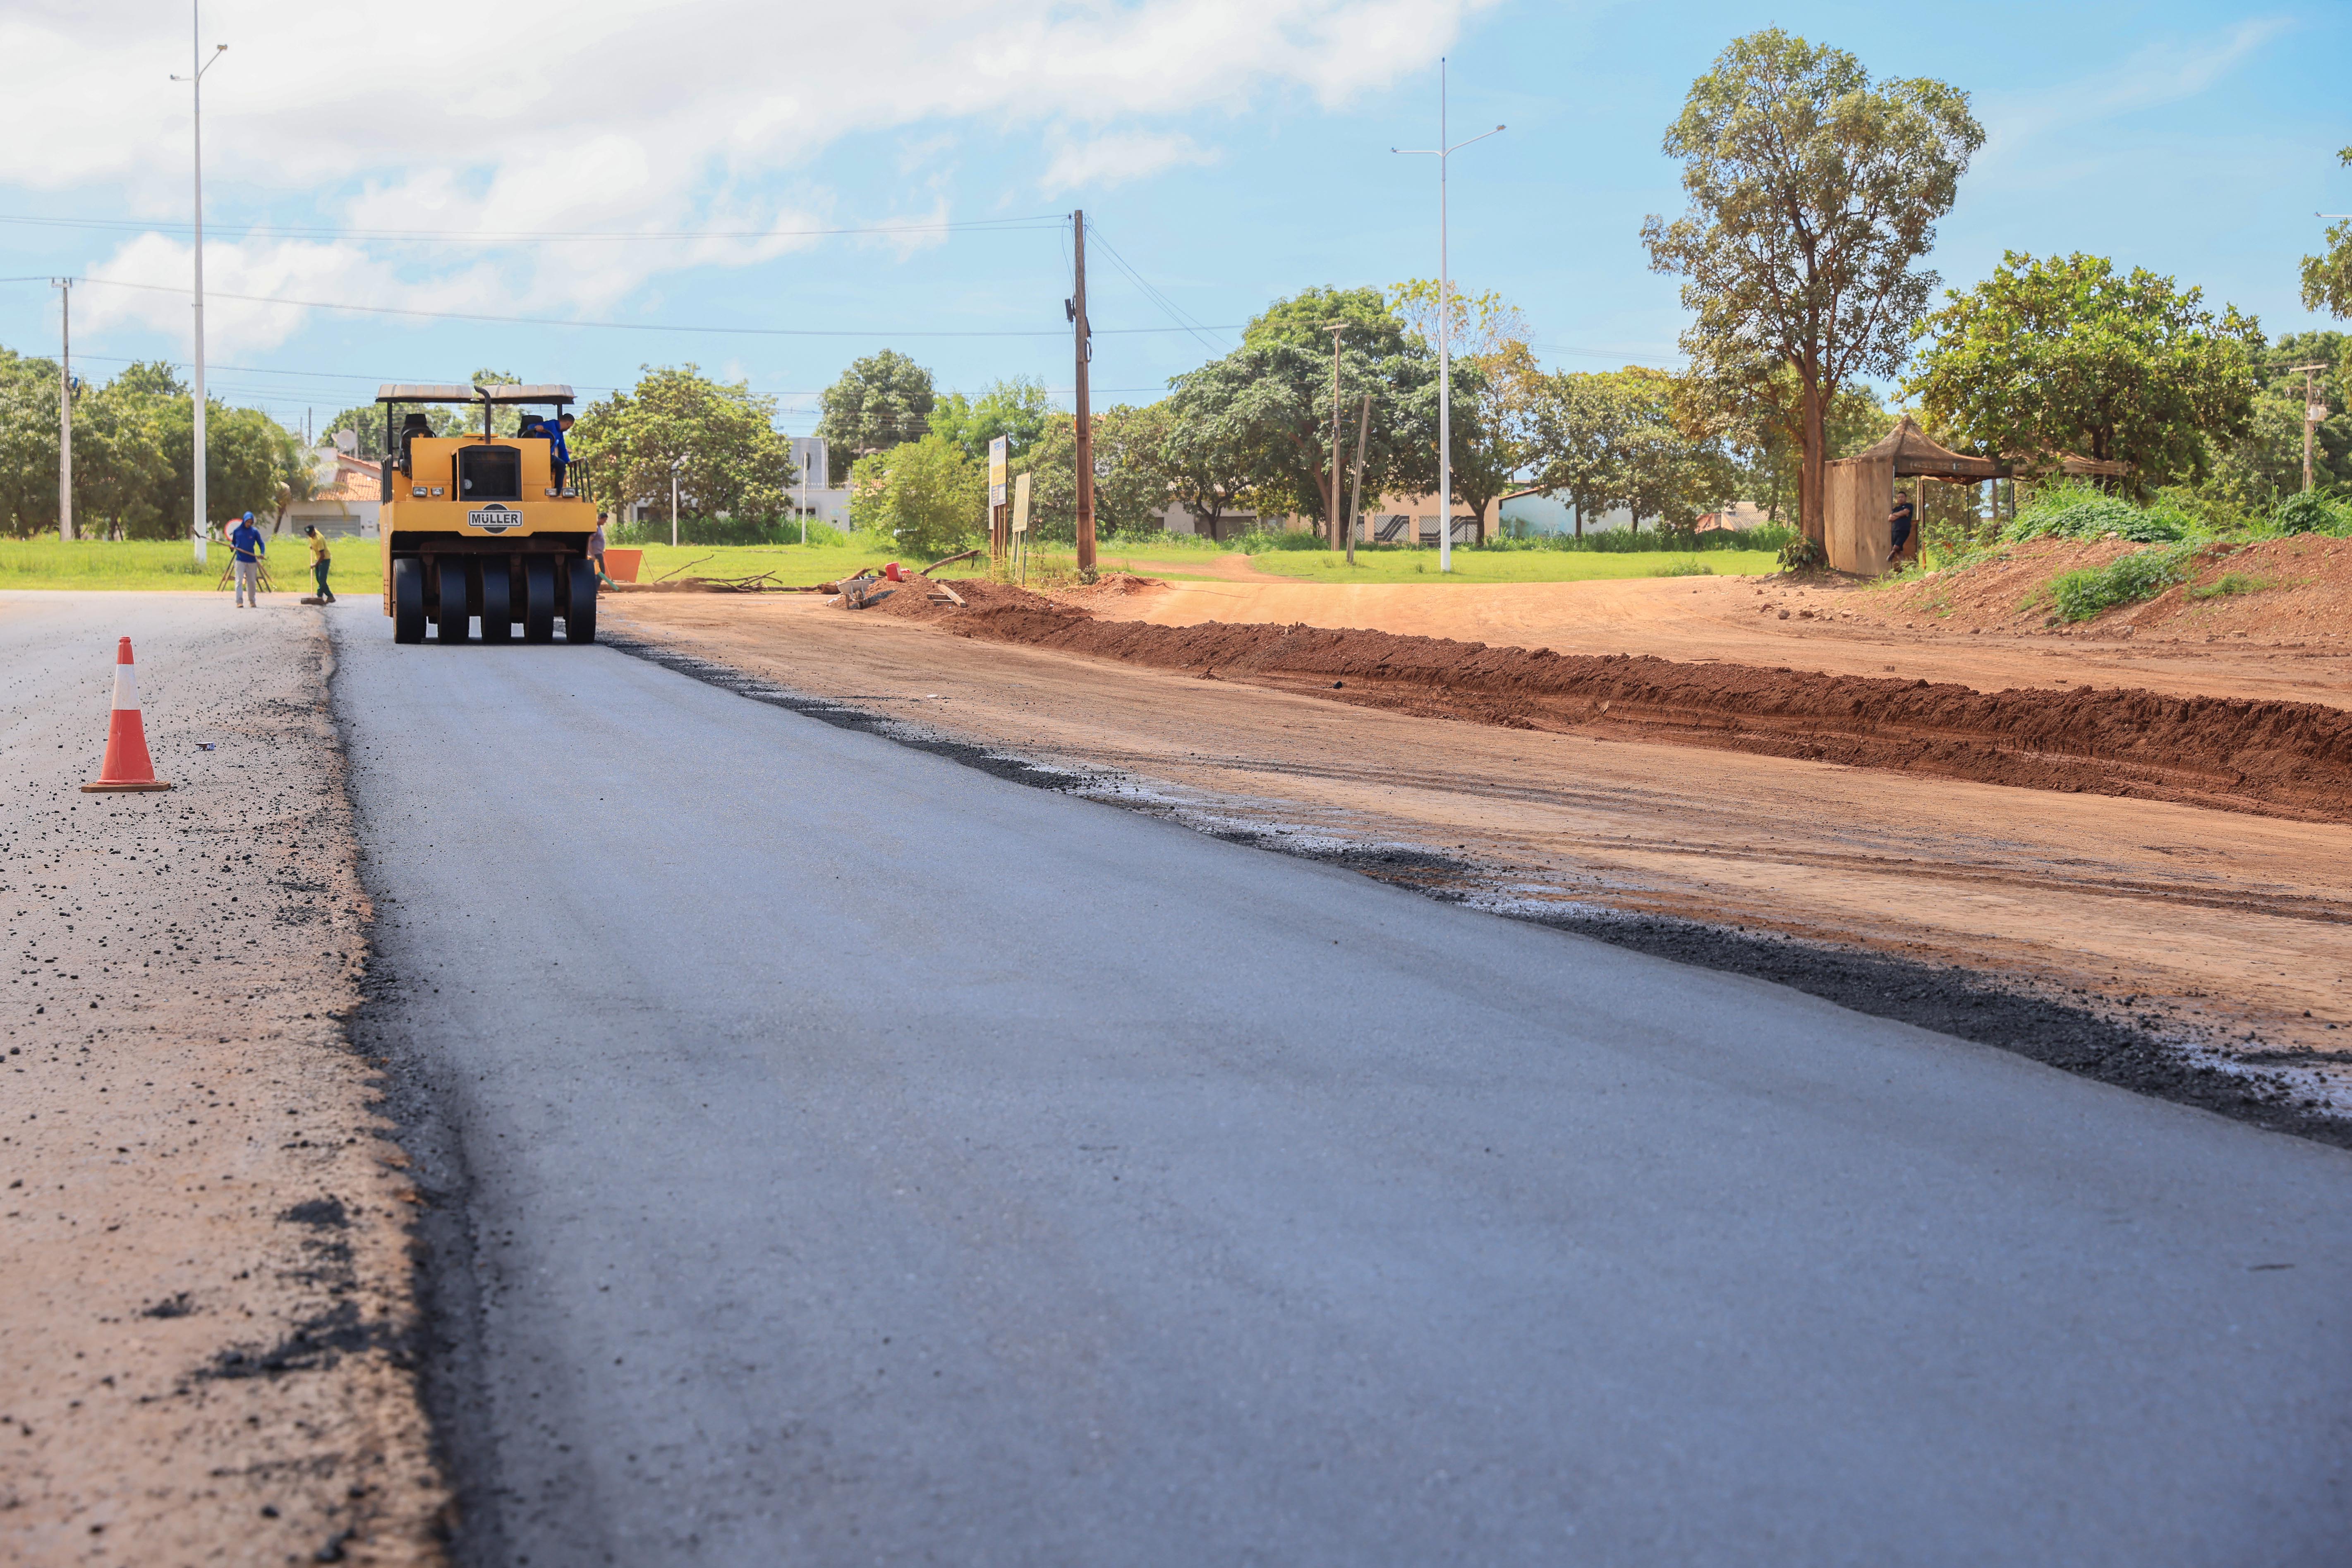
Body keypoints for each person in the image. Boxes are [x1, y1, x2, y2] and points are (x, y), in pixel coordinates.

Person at [230, 511, 267, 608]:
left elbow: (261, 544)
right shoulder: (237, 531)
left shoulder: (254, 532)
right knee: (239, 581)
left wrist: (262, 553)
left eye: (251, 522)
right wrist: (232, 547)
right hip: (240, 560)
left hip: (252, 561)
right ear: (244, 521)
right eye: (248, 522)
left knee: (251, 582)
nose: (249, 524)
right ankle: (239, 602)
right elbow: (233, 543)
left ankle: (252, 601)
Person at [545, 412, 577, 493]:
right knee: (561, 464)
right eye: (569, 426)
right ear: (568, 423)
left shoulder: (560, 434)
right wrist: (538, 427)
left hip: (546, 456)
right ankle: (557, 491)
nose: (568, 428)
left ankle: (557, 491)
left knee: (562, 464)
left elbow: (562, 449)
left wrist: (568, 461)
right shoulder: (551, 424)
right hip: (537, 454)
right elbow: (530, 427)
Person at [304, 524, 335, 604]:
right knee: (319, 579)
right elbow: (314, 538)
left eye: (310, 534)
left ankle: (325, 596)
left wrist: (315, 565)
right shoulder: (312, 535)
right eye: (308, 534)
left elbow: (323, 555)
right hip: (318, 558)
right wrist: (312, 546)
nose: (309, 536)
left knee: (322, 579)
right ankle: (321, 597)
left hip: (324, 559)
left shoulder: (320, 539)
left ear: (314, 532)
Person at [1887, 488, 1916, 571]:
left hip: (1904, 530)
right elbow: (1890, 519)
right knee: (1899, 551)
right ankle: (1905, 569)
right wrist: (1900, 514)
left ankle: (1891, 554)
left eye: (1902, 497)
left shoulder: (1909, 506)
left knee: (1896, 547)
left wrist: (1896, 515)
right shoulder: (1896, 509)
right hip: (1894, 530)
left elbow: (1906, 512)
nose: (1900, 499)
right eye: (1899, 497)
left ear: (1906, 498)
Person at [588, 512, 610, 584]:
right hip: (595, 554)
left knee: (600, 572)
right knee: (600, 572)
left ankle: (595, 589)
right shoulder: (596, 528)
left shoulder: (599, 528)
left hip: (599, 553)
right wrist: (592, 554)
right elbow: (589, 541)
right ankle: (595, 589)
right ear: (599, 518)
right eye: (604, 520)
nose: (605, 522)